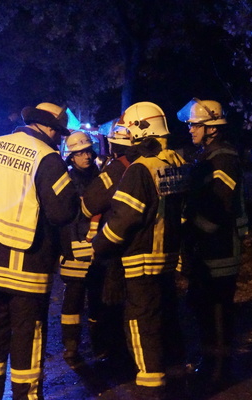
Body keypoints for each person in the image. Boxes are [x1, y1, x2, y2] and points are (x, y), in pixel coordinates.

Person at [0, 102, 79, 400]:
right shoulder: (47, 157)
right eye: (58, 132)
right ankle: (26, 395)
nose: (58, 138)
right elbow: (62, 211)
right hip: (29, 265)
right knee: (27, 335)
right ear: (49, 128)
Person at [92, 102, 190, 399]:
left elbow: (123, 218)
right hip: (167, 257)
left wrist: (99, 245)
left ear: (140, 131)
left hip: (141, 260)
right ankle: (173, 379)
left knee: (140, 323)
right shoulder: (177, 162)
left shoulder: (140, 169)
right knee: (164, 319)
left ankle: (150, 388)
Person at [176, 98, 248, 383]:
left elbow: (219, 206)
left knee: (218, 309)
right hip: (207, 247)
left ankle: (219, 370)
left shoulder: (223, 158)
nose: (190, 129)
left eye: (196, 125)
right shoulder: (207, 156)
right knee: (204, 306)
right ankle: (210, 363)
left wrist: (191, 227)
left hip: (220, 248)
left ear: (213, 128)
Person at [81, 122, 140, 368]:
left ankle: (115, 355)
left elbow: (90, 203)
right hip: (147, 248)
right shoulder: (154, 164)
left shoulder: (118, 168)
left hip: (115, 249)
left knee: (111, 301)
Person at [58, 131, 101, 368]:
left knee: (98, 299)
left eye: (87, 152)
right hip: (74, 248)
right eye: (80, 153)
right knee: (73, 301)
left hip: (98, 248)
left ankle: (99, 344)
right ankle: (71, 346)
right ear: (71, 157)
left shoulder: (101, 176)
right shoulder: (66, 181)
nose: (86, 156)